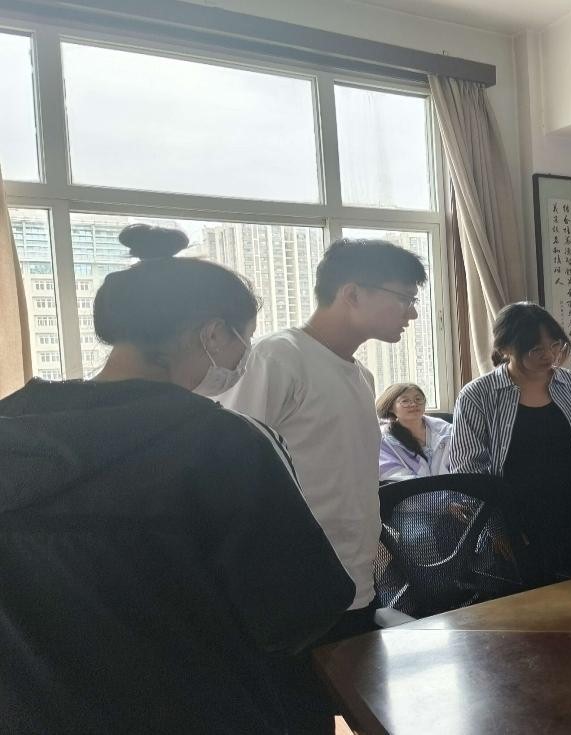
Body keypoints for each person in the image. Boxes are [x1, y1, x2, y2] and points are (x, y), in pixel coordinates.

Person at [0, 224, 353, 733]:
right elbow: (298, 612)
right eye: (243, 339)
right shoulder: (222, 445)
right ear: (211, 334)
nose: (243, 357)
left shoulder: (13, 429)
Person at [218, 237, 427, 731]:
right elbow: (231, 470)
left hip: (353, 580)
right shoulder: (279, 357)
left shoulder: (360, 375)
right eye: (403, 298)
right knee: (298, 716)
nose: (412, 313)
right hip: (292, 587)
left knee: (355, 707)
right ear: (352, 293)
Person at [449, 302, 571, 578]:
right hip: (514, 521)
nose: (549, 355)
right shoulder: (478, 394)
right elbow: (469, 469)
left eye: (555, 345)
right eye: (536, 349)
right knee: (527, 597)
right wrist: (498, 528)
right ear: (506, 349)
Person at [376, 382, 453, 481]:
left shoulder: (447, 430)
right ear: (390, 407)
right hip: (411, 490)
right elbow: (391, 473)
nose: (413, 404)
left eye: (418, 399)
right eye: (405, 401)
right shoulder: (383, 441)